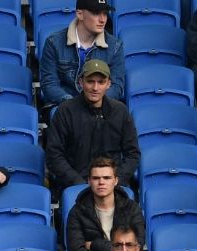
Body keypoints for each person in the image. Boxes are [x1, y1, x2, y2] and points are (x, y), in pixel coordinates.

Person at [46, 58, 140, 191]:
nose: (95, 88)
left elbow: (132, 153)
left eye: (101, 82)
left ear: (108, 84)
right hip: (76, 187)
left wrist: (114, 181)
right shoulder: (65, 111)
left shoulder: (120, 111)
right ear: (81, 82)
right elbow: (54, 155)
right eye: (90, 81)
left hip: (114, 187)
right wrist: (79, 183)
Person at [64, 158, 142, 251]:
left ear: (115, 181)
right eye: (96, 178)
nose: (101, 182)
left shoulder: (131, 208)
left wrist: (95, 244)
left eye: (106, 178)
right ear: (89, 181)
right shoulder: (77, 211)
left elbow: (136, 245)